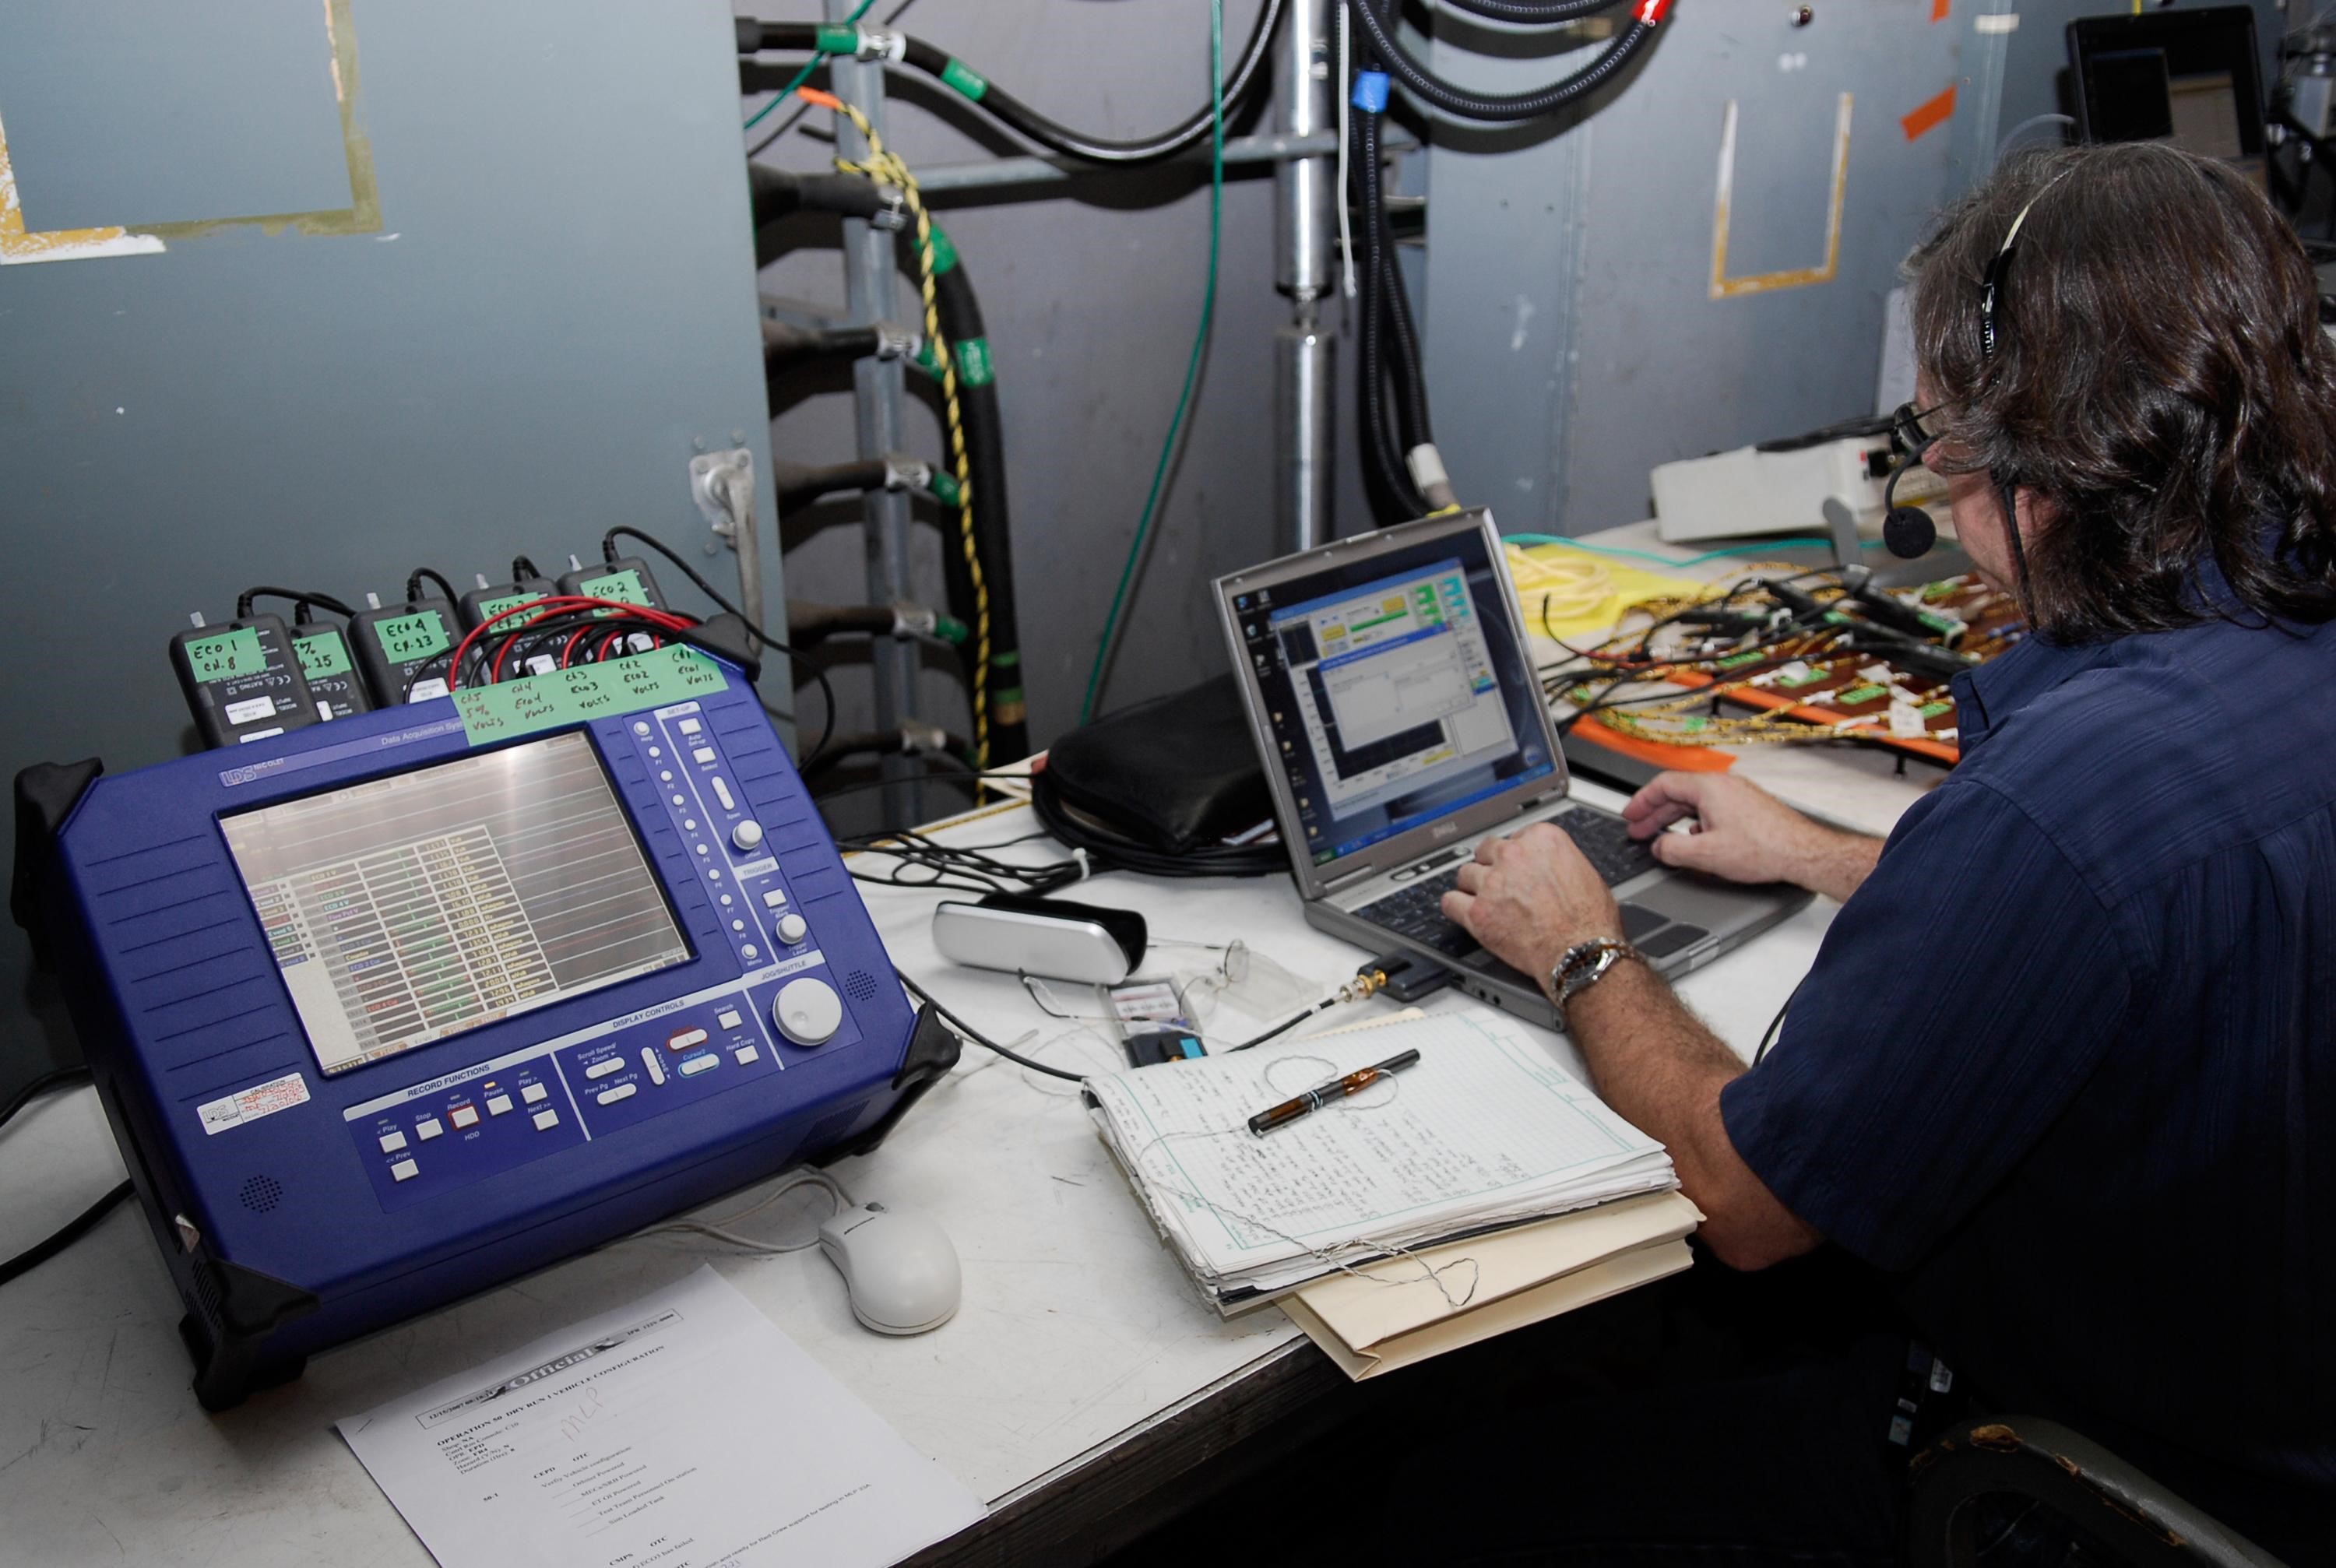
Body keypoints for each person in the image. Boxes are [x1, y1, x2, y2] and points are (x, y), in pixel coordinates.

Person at [1426, 142, 2336, 1563]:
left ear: (2023, 456)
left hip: (2102, 1489)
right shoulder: (2287, 634)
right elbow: (2162, 918)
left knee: (1479, 1488)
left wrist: (1579, 943)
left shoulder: (2060, 805)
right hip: (2290, 1411)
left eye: (1935, 428)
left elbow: (1748, 1207)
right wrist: (1828, 852)